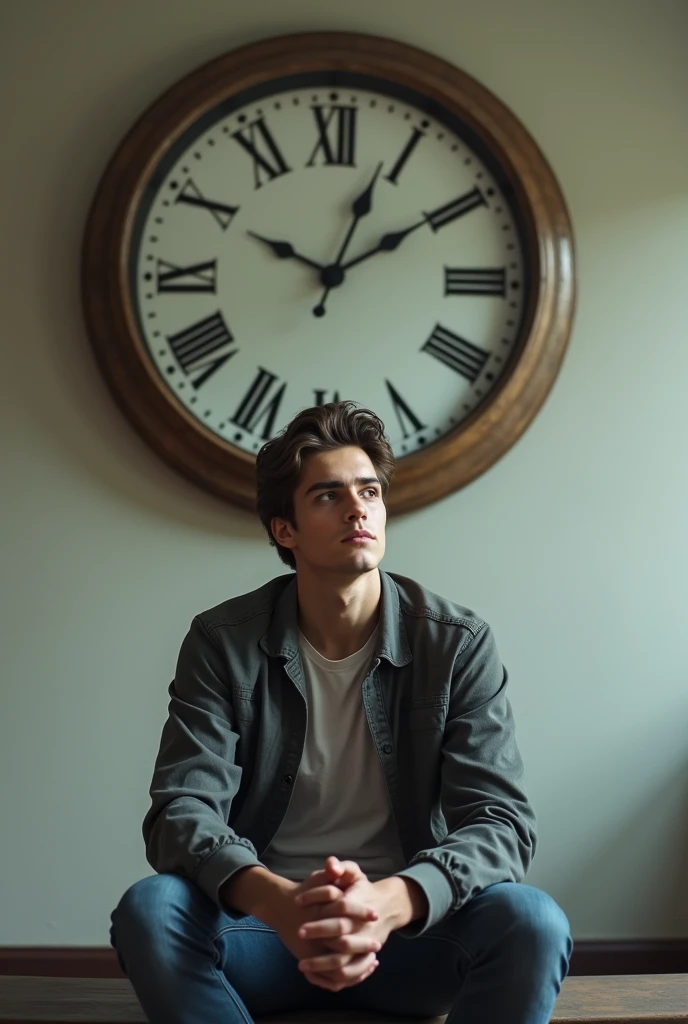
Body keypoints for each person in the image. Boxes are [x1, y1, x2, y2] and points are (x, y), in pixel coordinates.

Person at [110, 401, 572, 1024]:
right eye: (328, 495)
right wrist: (282, 905)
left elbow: (500, 823)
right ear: (285, 530)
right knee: (150, 909)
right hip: (266, 935)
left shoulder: (456, 643)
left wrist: (388, 903)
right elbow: (179, 811)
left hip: (407, 939)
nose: (358, 508)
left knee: (533, 920)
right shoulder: (222, 641)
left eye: (370, 491)